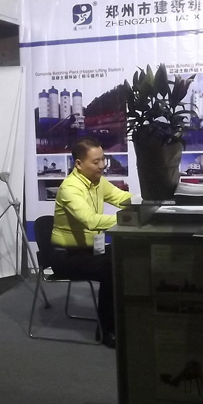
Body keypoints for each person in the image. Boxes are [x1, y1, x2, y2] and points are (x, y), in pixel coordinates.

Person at [50, 137, 131, 348]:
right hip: (65, 256)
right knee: (111, 268)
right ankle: (107, 330)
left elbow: (122, 198)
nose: (102, 165)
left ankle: (123, 317)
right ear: (79, 163)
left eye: (103, 159)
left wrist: (146, 203)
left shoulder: (98, 181)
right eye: (96, 162)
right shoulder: (70, 188)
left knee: (125, 254)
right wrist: (130, 219)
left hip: (88, 251)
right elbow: (90, 221)